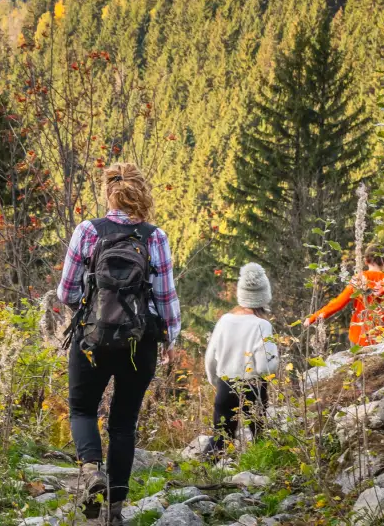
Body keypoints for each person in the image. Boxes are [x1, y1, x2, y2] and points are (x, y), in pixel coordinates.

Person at [55, 163, 181, 524]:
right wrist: (170, 338)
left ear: (107, 191)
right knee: (124, 423)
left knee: (82, 410)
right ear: (141, 192)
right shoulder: (155, 237)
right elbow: (165, 295)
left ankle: (92, 469)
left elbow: (67, 291)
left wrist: (93, 305)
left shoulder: (88, 230)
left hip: (92, 338)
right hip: (138, 342)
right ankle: (114, 510)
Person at [203, 263, 280, 456]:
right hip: (253, 387)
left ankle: (204, 472)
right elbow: (265, 367)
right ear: (264, 296)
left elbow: (210, 358)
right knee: (259, 435)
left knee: (220, 436)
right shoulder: (262, 325)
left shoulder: (224, 320)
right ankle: (259, 471)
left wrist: (217, 381)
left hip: (225, 384)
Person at [304, 251, 384, 347]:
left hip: (359, 336)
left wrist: (313, 318)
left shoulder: (357, 280)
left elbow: (338, 303)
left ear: (365, 261)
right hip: (383, 337)